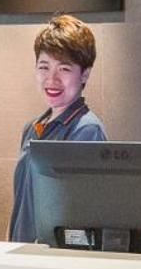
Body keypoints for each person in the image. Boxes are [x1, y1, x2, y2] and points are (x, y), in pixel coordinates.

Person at [8, 15, 107, 243]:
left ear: (85, 74)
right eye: (44, 67)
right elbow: (22, 203)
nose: (51, 79)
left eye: (64, 69)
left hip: (52, 258)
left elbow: (79, 214)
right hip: (23, 254)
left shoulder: (87, 130)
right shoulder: (32, 128)